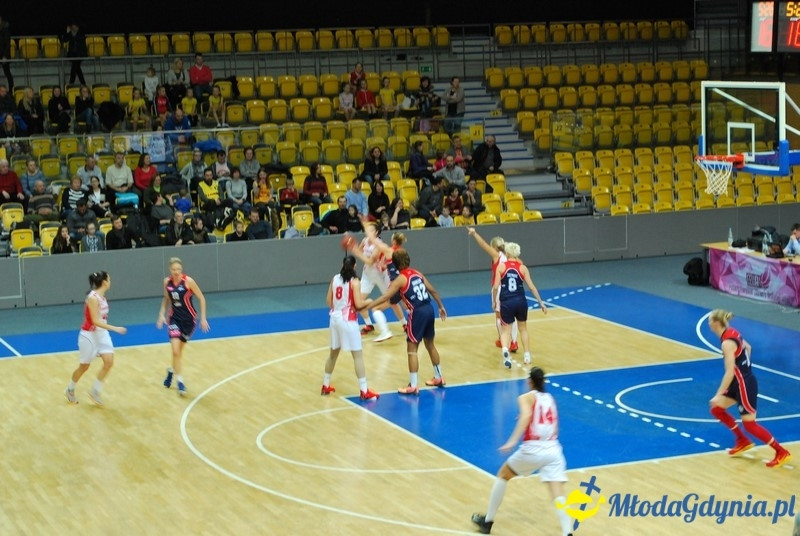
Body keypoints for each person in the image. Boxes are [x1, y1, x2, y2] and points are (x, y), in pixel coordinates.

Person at [471, 366, 574, 536]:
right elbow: (553, 427)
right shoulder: (550, 398)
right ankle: (567, 532)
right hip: (553, 449)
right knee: (557, 492)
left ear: (529, 381)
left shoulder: (525, 397)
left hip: (533, 449)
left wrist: (511, 441)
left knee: (503, 475)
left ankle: (487, 522)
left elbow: (526, 417)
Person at [707, 309, 792, 468]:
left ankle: (781, 452)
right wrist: (744, 367)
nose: (709, 324)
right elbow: (748, 347)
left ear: (716, 324)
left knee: (750, 424)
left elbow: (730, 372)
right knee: (716, 409)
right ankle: (742, 440)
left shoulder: (727, 343)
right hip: (740, 381)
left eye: (710, 321)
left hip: (744, 384)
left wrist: (719, 394)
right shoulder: (732, 332)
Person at [367, 248, 447, 394]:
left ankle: (413, 386)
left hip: (417, 313)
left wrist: (369, 305)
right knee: (430, 345)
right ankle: (439, 377)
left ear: (395, 264)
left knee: (412, 350)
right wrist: (441, 306)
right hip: (429, 309)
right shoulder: (417, 273)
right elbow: (433, 290)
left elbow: (386, 297)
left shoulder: (400, 279)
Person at [321, 255, 380, 401]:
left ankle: (325, 384)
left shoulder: (334, 279)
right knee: (357, 356)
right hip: (348, 321)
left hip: (334, 319)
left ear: (342, 264)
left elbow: (329, 301)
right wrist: (369, 302)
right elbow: (359, 305)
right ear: (355, 267)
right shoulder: (355, 282)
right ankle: (364, 390)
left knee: (333, 354)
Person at [65, 271, 127, 406]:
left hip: (102, 333)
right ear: (104, 282)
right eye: (109, 279)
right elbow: (94, 321)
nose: (110, 281)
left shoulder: (103, 297)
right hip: (89, 335)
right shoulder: (93, 298)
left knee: (109, 362)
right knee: (84, 366)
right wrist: (115, 328)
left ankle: (95, 390)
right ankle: (70, 388)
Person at [156, 257, 210, 396]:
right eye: (174, 269)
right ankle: (180, 382)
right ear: (170, 270)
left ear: (182, 270)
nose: (176, 272)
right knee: (175, 351)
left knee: (178, 352)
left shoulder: (188, 281)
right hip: (174, 319)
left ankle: (171, 371)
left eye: (178, 269)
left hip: (189, 321)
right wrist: (162, 314)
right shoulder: (166, 282)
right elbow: (166, 299)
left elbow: (202, 298)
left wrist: (203, 318)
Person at [492, 242, 547, 367]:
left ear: (507, 253)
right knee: (523, 329)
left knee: (506, 331)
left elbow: (496, 287)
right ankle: (527, 355)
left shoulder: (501, 267)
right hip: (521, 301)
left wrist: (495, 301)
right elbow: (532, 287)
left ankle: (505, 351)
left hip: (506, 301)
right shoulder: (522, 268)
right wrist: (541, 302)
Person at [468, 228, 521, 353]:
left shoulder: (496, 255)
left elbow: (483, 245)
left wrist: (474, 233)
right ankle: (513, 342)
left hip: (500, 288)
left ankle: (503, 340)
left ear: (494, 247)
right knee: (511, 316)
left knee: (499, 315)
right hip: (511, 289)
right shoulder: (510, 256)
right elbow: (521, 265)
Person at [0, 16, 13, 91]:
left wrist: (5, 56)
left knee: (7, 73)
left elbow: (7, 43)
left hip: (4, 54)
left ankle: (11, 90)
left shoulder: (5, 27)